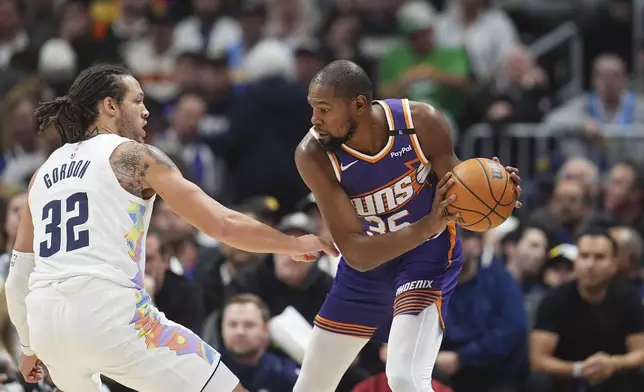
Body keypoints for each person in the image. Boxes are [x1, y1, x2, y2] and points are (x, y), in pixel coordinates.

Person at [3, 64, 337, 392]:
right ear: (110, 105)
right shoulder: (132, 157)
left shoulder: (41, 175)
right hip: (107, 312)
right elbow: (221, 223)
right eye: (138, 101)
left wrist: (30, 347)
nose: (146, 111)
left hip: (47, 324)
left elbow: (18, 277)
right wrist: (292, 245)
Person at [293, 60, 521, 392]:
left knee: (404, 377)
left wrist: (496, 190)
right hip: (371, 261)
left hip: (428, 255)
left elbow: (463, 194)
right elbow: (356, 254)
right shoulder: (313, 154)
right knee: (310, 387)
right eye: (313, 108)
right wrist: (423, 228)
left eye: (325, 109)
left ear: (358, 105)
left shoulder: (421, 122)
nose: (315, 119)